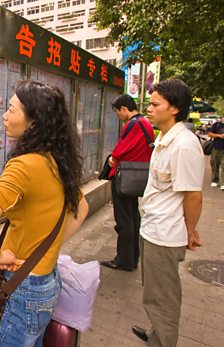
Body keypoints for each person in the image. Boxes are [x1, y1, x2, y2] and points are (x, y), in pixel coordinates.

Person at [0, 80, 89, 347]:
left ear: (33, 122)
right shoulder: (56, 158)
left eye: (11, 109)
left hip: (22, 289)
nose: (5, 115)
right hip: (47, 281)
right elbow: (82, 208)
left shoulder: (24, 165)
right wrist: (50, 246)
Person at [132, 79, 204, 347]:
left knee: (163, 299)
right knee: (153, 290)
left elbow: (193, 195)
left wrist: (190, 230)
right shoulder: (164, 137)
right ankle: (155, 331)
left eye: (154, 104)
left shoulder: (184, 145)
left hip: (165, 234)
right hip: (152, 228)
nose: (148, 109)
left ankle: (162, 340)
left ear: (173, 108)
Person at [100, 94, 154, 272]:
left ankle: (123, 260)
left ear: (124, 108)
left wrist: (112, 159)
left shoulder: (134, 123)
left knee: (124, 219)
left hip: (124, 178)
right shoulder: (145, 123)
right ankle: (132, 259)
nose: (118, 116)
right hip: (135, 177)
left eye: (117, 112)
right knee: (132, 217)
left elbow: (122, 148)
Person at [208, 117, 224, 189]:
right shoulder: (217, 125)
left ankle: (223, 183)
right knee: (214, 164)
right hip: (217, 147)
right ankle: (215, 180)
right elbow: (210, 134)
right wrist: (219, 136)